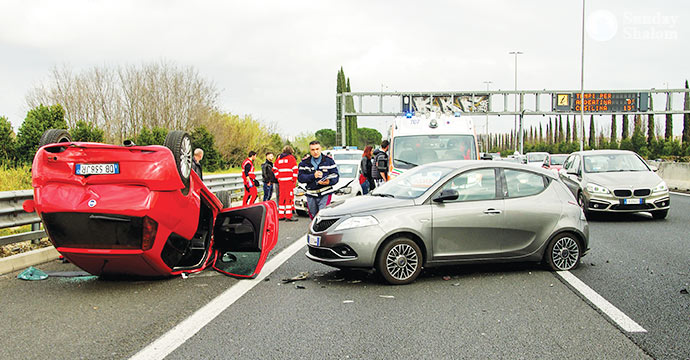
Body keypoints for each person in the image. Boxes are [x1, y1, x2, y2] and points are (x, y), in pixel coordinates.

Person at [298, 140, 339, 219]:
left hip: (325, 193)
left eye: (317, 149)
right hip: (311, 194)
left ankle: (324, 231)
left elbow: (336, 176)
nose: (315, 152)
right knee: (314, 218)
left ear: (321, 149)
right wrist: (313, 176)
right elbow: (300, 178)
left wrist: (328, 182)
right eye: (313, 150)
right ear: (310, 151)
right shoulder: (304, 163)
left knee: (323, 215)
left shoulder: (329, 161)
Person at [273, 145, 298, 221]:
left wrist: (278, 177)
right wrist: (294, 179)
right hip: (289, 181)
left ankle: (280, 215)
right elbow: (295, 169)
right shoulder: (291, 158)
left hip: (281, 181)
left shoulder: (279, 159)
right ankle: (288, 215)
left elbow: (274, 168)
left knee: (282, 198)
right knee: (289, 198)